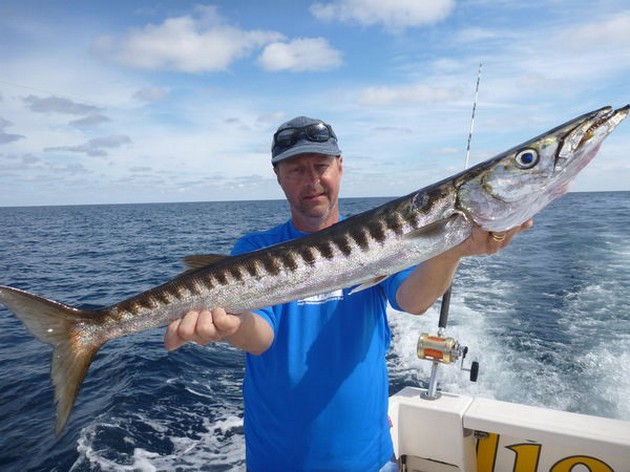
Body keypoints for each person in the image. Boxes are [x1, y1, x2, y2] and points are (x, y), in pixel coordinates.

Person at [164, 116, 532, 471]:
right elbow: (261, 339)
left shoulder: (384, 238)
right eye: (296, 170)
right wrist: (231, 323)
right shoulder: (254, 247)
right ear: (278, 178)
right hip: (276, 460)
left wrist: (452, 250)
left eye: (321, 166)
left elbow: (413, 301)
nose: (312, 181)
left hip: (368, 459)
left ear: (340, 167)